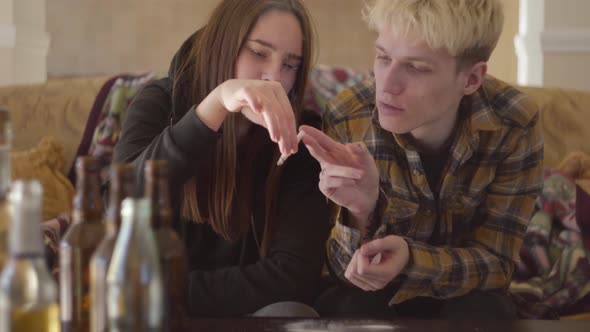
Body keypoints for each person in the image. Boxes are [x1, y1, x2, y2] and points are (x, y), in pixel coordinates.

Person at [301, 0, 544, 319]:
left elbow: (497, 265)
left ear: (471, 79)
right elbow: (339, 273)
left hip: (466, 296)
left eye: (416, 68)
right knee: (354, 307)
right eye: (383, 57)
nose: (387, 85)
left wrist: (411, 259)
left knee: (487, 311)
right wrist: (360, 212)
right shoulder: (349, 116)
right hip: (372, 298)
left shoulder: (513, 122)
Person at [113, 0, 329, 317]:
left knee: (292, 311)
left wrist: (163, 293)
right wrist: (212, 108)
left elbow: (293, 277)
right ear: (223, 45)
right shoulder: (159, 103)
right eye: (258, 52)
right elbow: (115, 213)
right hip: (152, 320)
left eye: (290, 65)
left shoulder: (301, 134)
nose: (273, 78)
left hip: (234, 315)